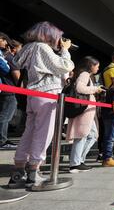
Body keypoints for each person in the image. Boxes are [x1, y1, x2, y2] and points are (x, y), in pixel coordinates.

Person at [8, 22, 75, 188]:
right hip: (47, 94)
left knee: (29, 132)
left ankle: (18, 171)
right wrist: (65, 50)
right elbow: (64, 66)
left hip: (34, 94)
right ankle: (34, 171)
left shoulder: (29, 47)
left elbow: (17, 62)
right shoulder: (42, 48)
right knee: (44, 133)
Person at [66, 56, 104, 173]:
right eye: (96, 65)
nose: (98, 68)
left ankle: (79, 160)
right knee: (82, 136)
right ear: (91, 65)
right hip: (84, 110)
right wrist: (95, 89)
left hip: (87, 111)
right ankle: (75, 164)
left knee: (92, 135)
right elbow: (79, 88)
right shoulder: (85, 74)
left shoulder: (84, 74)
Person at [0, 32, 20, 150]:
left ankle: (3, 139)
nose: (5, 42)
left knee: (5, 115)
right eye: (2, 39)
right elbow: (6, 69)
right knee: (5, 115)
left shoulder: (4, 55)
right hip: (7, 90)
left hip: (5, 89)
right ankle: (2, 141)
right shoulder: (6, 57)